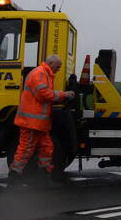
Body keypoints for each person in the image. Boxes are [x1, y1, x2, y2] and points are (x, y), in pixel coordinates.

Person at [8, 54, 75, 187]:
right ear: (50, 63)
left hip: (38, 123)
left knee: (47, 147)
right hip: (31, 122)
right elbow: (44, 94)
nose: (58, 69)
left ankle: (43, 176)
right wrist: (64, 94)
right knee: (26, 149)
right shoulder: (40, 73)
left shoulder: (45, 73)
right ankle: (14, 177)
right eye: (57, 67)